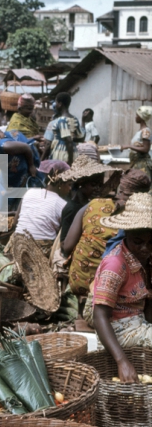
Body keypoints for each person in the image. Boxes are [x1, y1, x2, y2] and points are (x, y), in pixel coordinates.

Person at [92, 192, 152, 383]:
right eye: (138, 242)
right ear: (126, 234)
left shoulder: (146, 259)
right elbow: (99, 315)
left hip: (139, 320)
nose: (145, 248)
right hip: (118, 328)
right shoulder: (116, 264)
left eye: (151, 243)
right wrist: (122, 361)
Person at [64, 169, 151, 299]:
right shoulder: (143, 218)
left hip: (79, 281)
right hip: (118, 290)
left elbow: (67, 246)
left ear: (120, 188)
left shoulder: (94, 204)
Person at [12, 160, 71, 256]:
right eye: (69, 185)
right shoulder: (63, 205)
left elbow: (15, 223)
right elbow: (62, 236)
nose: (70, 189)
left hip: (18, 244)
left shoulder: (29, 192)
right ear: (60, 184)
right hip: (41, 251)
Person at [0, 130, 42, 211]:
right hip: (8, 174)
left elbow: (26, 148)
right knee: (6, 200)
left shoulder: (5, 146)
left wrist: (31, 166)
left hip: (23, 168)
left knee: (25, 198)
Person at [58, 155, 114, 244]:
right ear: (81, 184)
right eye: (93, 185)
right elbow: (64, 242)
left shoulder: (88, 204)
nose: (97, 189)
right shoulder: (72, 208)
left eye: (99, 185)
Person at [45, 92, 83, 165]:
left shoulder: (62, 120)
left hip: (62, 154)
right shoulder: (75, 119)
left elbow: (68, 140)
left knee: (60, 175)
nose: (55, 105)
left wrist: (70, 161)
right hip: (74, 152)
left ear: (60, 103)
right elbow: (80, 138)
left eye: (56, 102)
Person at [122, 105, 152, 184]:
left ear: (141, 117)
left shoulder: (146, 131)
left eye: (137, 115)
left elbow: (146, 149)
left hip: (142, 165)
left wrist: (129, 146)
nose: (135, 117)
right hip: (136, 163)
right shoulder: (140, 131)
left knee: (141, 187)